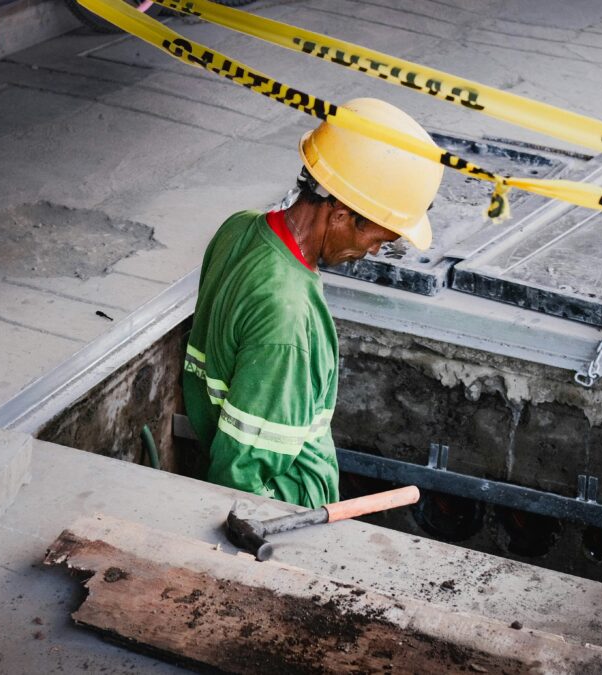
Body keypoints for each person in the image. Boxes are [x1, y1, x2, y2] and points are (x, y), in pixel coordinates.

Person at [182, 98, 443, 507]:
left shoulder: (238, 228)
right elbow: (242, 472)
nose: (374, 251)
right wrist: (260, 525)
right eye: (378, 237)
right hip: (284, 504)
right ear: (340, 212)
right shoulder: (286, 315)